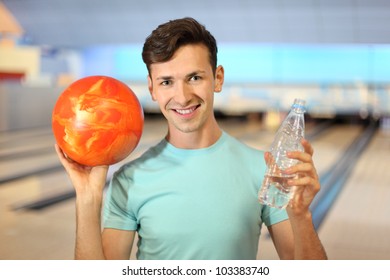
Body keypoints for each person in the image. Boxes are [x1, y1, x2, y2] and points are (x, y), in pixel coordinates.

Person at [55, 17, 327, 260]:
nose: (182, 96)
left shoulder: (265, 171)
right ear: (151, 88)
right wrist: (87, 198)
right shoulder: (129, 180)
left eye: (194, 77)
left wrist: (301, 217)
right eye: (166, 82)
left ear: (217, 78)